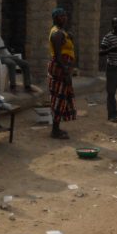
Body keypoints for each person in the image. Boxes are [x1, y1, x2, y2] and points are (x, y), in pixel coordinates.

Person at [48, 8, 76, 139]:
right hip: (60, 68)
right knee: (58, 98)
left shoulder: (62, 32)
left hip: (63, 68)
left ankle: (57, 128)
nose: (64, 18)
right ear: (55, 18)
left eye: (65, 15)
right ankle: (55, 131)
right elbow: (58, 56)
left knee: (62, 97)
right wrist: (66, 72)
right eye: (60, 16)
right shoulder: (57, 33)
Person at [0, 23, 35, 93]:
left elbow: (4, 49)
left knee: (25, 64)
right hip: (0, 58)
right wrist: (1, 48)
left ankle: (27, 86)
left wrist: (10, 52)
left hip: (8, 56)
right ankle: (13, 86)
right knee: (12, 63)